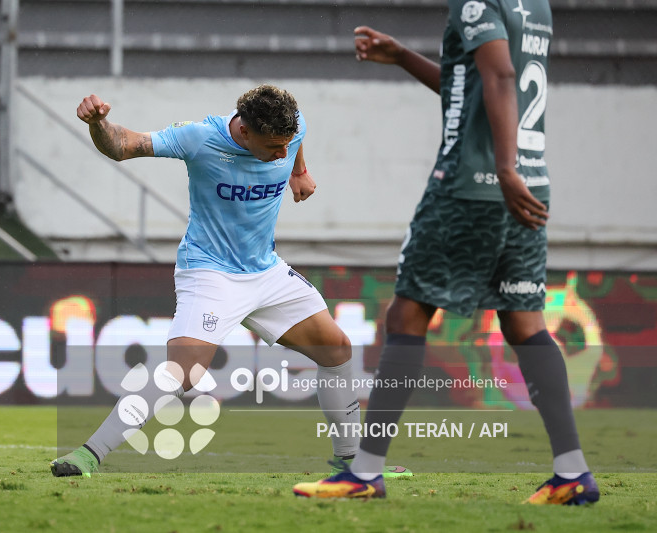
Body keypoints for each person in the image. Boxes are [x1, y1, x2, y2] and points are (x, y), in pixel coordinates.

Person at [293, 1, 599, 505]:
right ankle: (572, 474)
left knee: (407, 313)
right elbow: (476, 89)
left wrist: (501, 170)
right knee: (524, 322)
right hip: (531, 182)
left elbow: (499, 77)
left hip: (471, 188)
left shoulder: (476, 1)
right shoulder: (535, 5)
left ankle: (364, 472)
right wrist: (404, 57)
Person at [50, 84, 399, 478]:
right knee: (181, 373)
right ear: (245, 132)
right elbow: (121, 145)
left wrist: (299, 171)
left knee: (336, 348)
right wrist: (99, 123)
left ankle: (353, 460)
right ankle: (88, 454)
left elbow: (295, 141)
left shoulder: (292, 127)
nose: (281, 153)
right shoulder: (199, 138)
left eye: (287, 144)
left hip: (265, 271)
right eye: (274, 146)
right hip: (210, 271)